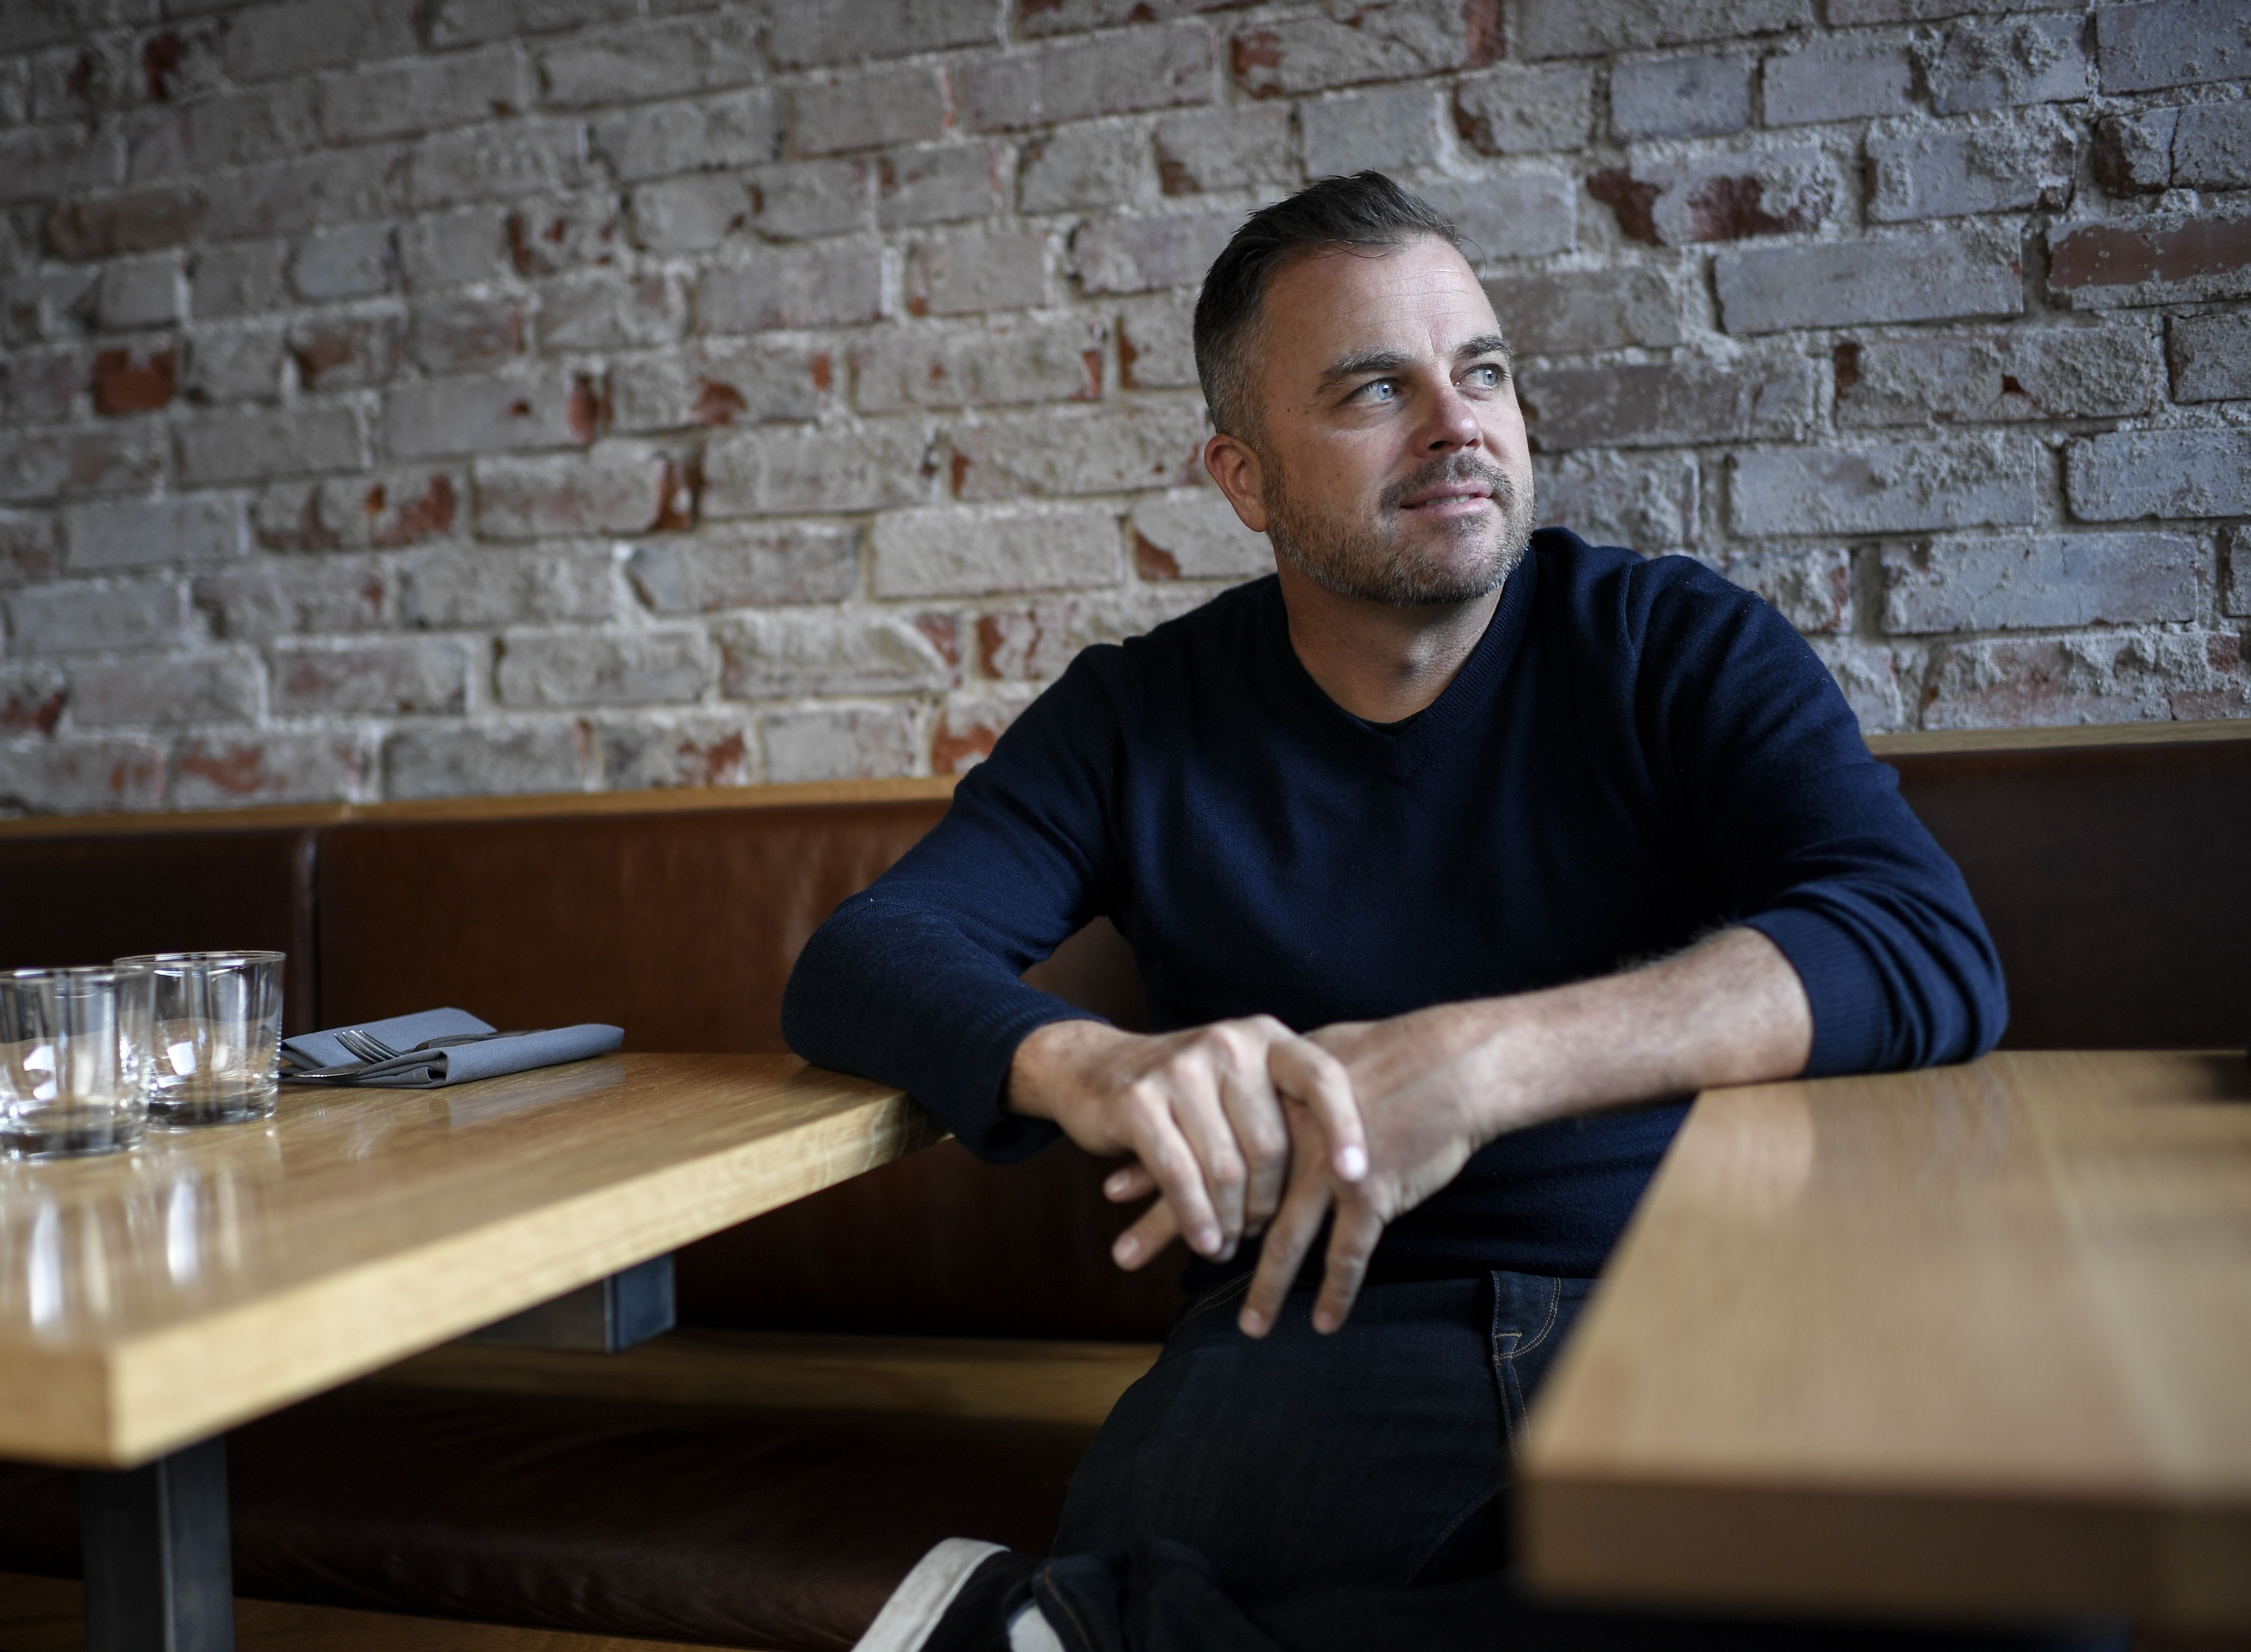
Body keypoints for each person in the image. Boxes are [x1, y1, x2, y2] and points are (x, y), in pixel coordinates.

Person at [782, 174, 2038, 1652]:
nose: (1459, 424)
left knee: (2018, 1608)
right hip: (1314, 1335)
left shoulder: (1670, 642)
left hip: (1697, 1296)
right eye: (1378, 387)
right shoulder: (1136, 717)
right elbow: (864, 960)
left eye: (1483, 371)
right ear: (1244, 479)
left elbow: (1916, 940)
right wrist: (1092, 1064)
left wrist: (1482, 1065)